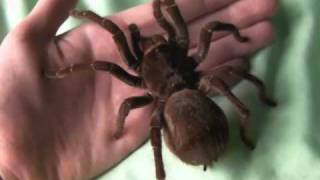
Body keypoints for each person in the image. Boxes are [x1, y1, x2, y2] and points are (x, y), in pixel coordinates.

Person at [0, 0, 278, 179]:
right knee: (226, 64)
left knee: (155, 120)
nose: (153, 44)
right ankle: (245, 123)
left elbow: (110, 62)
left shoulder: (140, 88)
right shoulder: (198, 68)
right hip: (199, 97)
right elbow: (213, 28)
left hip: (184, 111)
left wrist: (120, 127)